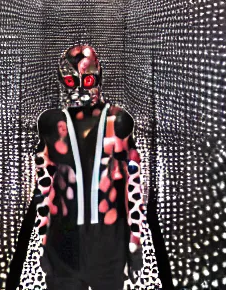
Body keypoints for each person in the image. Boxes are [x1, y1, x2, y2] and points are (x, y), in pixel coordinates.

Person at [34, 44, 144, 290]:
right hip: (64, 245)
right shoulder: (52, 123)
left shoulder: (119, 121)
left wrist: (135, 243)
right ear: (62, 81)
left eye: (88, 79)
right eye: (72, 82)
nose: (82, 88)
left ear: (99, 75)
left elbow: (133, 186)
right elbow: (43, 189)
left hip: (107, 244)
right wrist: (43, 243)